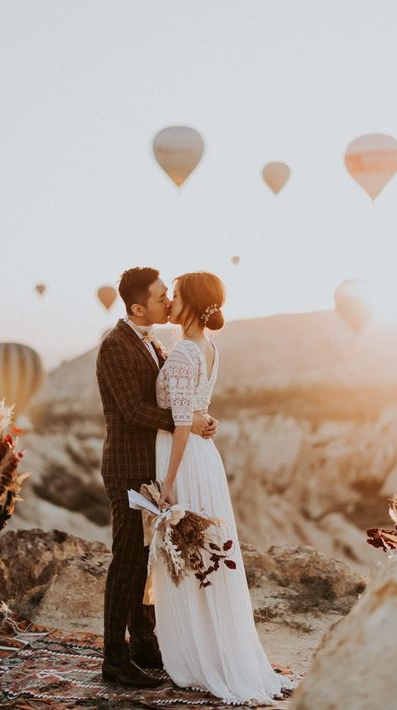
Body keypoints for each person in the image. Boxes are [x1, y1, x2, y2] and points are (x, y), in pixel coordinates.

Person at [152, 271, 294, 705]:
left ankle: (198, 660)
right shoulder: (209, 348)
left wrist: (168, 482)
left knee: (186, 552)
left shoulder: (181, 354)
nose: (170, 303)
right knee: (205, 552)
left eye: (175, 296)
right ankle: (217, 651)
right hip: (204, 458)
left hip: (183, 459)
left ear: (191, 304)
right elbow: (195, 411)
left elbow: (179, 422)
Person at [96, 267, 218, 688]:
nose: (168, 301)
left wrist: (195, 416)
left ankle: (144, 644)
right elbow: (133, 410)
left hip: (150, 466)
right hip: (127, 469)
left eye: (170, 293)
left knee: (149, 561)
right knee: (128, 559)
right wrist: (186, 420)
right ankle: (114, 656)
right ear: (137, 306)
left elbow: (178, 392)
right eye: (161, 295)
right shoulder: (115, 346)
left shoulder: (156, 342)